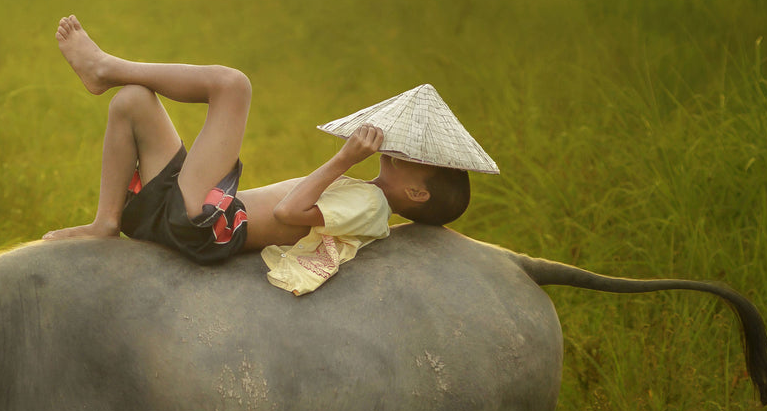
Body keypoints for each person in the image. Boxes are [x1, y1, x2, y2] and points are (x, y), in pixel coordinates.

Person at [41, 16, 484, 293]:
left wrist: (345, 159)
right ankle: (107, 221)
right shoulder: (367, 199)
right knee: (132, 101)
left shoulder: (372, 208)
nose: (409, 151)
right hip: (192, 211)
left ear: (417, 194)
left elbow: (292, 211)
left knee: (233, 86)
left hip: (209, 226)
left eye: (422, 161)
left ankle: (106, 68)